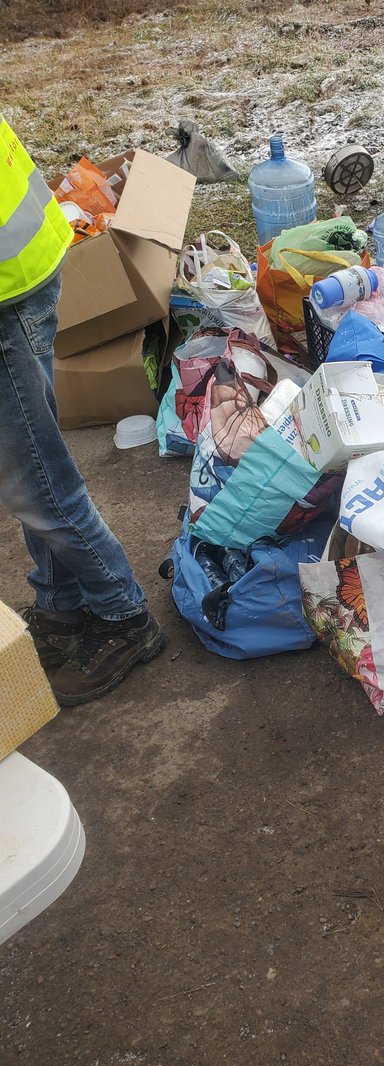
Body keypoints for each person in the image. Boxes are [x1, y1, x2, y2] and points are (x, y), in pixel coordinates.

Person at [0, 117, 163, 705]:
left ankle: (122, 616)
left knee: (35, 482)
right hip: (19, 265)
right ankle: (60, 607)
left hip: (6, 288)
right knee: (28, 463)